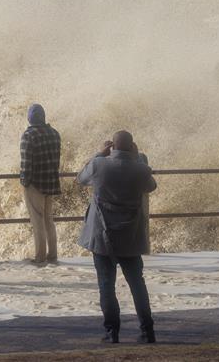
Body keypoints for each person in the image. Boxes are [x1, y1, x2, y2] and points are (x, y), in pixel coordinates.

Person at [77, 131, 157, 344]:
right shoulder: (140, 169)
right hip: (130, 236)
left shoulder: (99, 165)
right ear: (131, 147)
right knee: (137, 284)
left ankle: (112, 332)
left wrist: (98, 154)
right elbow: (151, 186)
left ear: (112, 146)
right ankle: (147, 331)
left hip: (102, 237)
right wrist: (137, 157)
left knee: (106, 284)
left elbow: (81, 178)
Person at [19, 104, 61, 264]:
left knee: (37, 220)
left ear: (30, 118)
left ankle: (40, 256)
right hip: (51, 182)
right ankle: (53, 254)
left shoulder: (28, 135)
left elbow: (25, 164)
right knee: (48, 220)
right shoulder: (54, 133)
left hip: (35, 183)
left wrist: (25, 182)